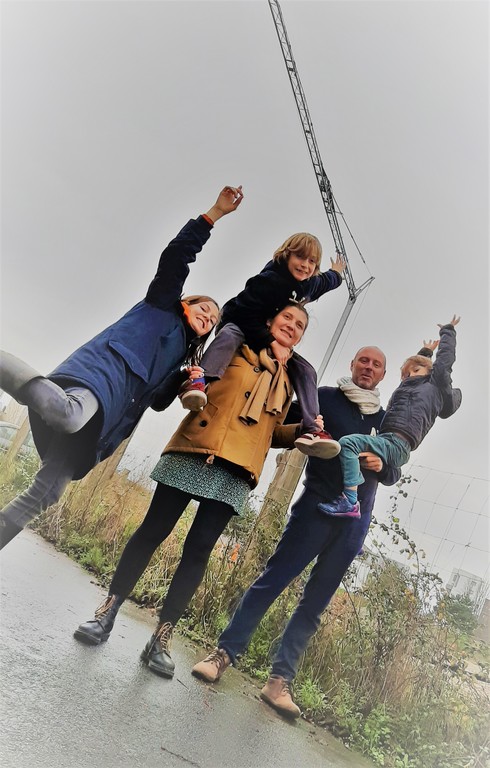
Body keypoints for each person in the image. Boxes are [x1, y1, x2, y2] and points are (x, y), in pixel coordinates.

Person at [74, 303, 318, 681]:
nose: (292, 326)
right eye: (287, 317)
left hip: (236, 470)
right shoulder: (237, 347)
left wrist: (301, 430)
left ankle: (162, 637)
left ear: (302, 335)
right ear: (270, 320)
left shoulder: (291, 381)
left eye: (300, 324)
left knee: (199, 550)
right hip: (195, 447)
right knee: (153, 530)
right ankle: (108, 610)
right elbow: (202, 381)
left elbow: (271, 432)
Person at [0, 185, 243, 550]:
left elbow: (157, 402)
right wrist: (213, 215)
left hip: (106, 425)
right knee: (67, 412)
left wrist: (185, 382)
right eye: (203, 309)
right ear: (186, 303)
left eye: (212, 320)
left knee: (47, 492)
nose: (208, 317)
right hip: (102, 378)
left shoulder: (183, 357)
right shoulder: (162, 305)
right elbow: (176, 257)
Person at [192, 345, 401, 718]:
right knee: (272, 582)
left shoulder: (386, 421)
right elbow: (280, 427)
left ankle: (278, 683)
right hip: (314, 509)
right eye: (363, 361)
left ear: (383, 375)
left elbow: (396, 468)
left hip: (354, 522)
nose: (368, 367)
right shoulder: (322, 398)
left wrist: (383, 465)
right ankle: (223, 655)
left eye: (376, 364)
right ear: (351, 365)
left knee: (315, 603)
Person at [179, 217, 345, 460]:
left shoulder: (307, 285)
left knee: (307, 370)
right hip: (240, 321)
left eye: (312, 262)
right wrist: (272, 342)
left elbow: (324, 283)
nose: (305, 265)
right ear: (286, 255)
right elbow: (245, 314)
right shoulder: (269, 280)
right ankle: (199, 381)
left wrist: (337, 275)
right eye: (300, 257)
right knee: (229, 335)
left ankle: (311, 427)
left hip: (269, 332)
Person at [319, 316, 461, 518]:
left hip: (399, 443)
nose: (408, 375)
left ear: (430, 373)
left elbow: (444, 362)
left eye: (415, 371)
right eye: (405, 373)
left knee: (348, 444)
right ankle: (353, 528)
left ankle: (350, 501)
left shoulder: (434, 386)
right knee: (355, 452)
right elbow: (416, 368)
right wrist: (425, 352)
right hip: (388, 439)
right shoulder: (407, 388)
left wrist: (448, 331)